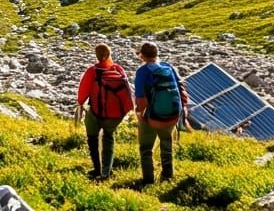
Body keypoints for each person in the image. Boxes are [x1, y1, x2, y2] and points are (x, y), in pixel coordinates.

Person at [133, 41, 190, 188]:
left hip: (151, 116)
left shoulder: (142, 71)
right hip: (171, 115)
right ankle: (167, 176)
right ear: (157, 53)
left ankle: (148, 181)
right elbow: (180, 88)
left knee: (146, 148)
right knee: (166, 144)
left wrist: (140, 113)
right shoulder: (168, 67)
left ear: (142, 55)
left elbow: (140, 98)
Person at [75, 43, 134, 181]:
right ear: (109, 54)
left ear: (96, 55)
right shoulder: (118, 69)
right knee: (108, 138)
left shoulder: (92, 71)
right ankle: (106, 171)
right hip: (116, 115)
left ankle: (97, 168)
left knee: (92, 138)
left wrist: (81, 104)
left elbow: (82, 96)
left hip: (97, 112)